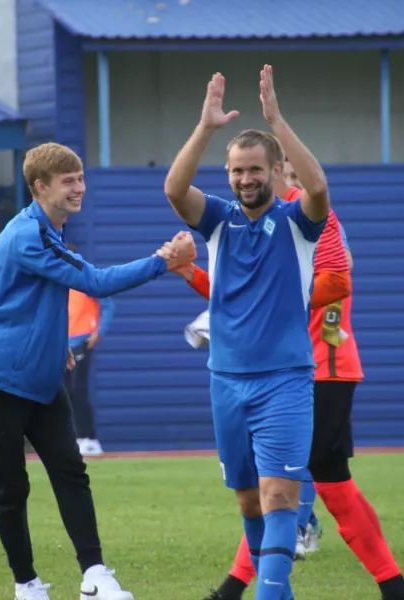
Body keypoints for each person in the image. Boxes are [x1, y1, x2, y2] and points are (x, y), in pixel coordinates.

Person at [0, 142, 196, 600]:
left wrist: (54, 346)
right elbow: (95, 282)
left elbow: (31, 300)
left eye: (81, 178)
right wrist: (165, 261)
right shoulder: (30, 234)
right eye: (68, 181)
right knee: (11, 488)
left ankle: (95, 576)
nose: (79, 187)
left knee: (70, 471)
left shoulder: (48, 230)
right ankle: (27, 585)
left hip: (39, 377)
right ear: (40, 187)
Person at [179, 142, 404, 600]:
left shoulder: (304, 214)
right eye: (241, 170)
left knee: (295, 489)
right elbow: (236, 294)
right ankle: (392, 587)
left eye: (280, 170)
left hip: (318, 365)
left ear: (277, 169)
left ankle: (246, 582)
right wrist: (193, 275)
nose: (255, 178)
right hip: (275, 369)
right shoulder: (240, 218)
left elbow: (340, 277)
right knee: (298, 488)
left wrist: (280, 298)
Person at [164, 65, 329, 600]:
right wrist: (206, 126)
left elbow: (318, 187)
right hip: (226, 381)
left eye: (255, 169)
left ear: (275, 171)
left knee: (279, 496)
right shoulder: (218, 220)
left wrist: (276, 120)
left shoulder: (298, 223)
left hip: (284, 381)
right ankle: (275, 590)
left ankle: (269, 593)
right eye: (237, 170)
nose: (245, 178)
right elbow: (174, 189)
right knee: (248, 501)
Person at [64, 242, 115, 457]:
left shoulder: (85, 278)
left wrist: (99, 332)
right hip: (62, 345)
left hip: (82, 341)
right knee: (65, 393)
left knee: (79, 390)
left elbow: (108, 305)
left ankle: (89, 438)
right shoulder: (59, 280)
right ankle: (73, 437)